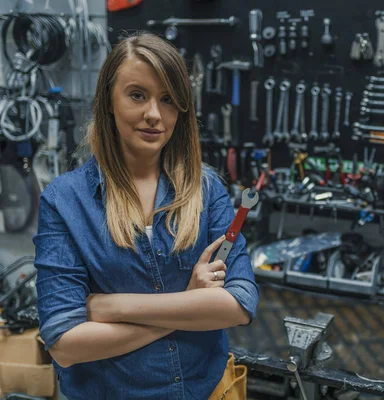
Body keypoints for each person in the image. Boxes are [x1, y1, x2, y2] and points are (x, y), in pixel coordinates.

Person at [33, 33, 259, 399]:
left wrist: (110, 307)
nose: (154, 114)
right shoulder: (65, 200)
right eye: (137, 95)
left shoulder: (207, 189)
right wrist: (189, 301)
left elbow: (238, 304)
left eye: (168, 99)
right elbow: (65, 343)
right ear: (109, 99)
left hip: (206, 390)